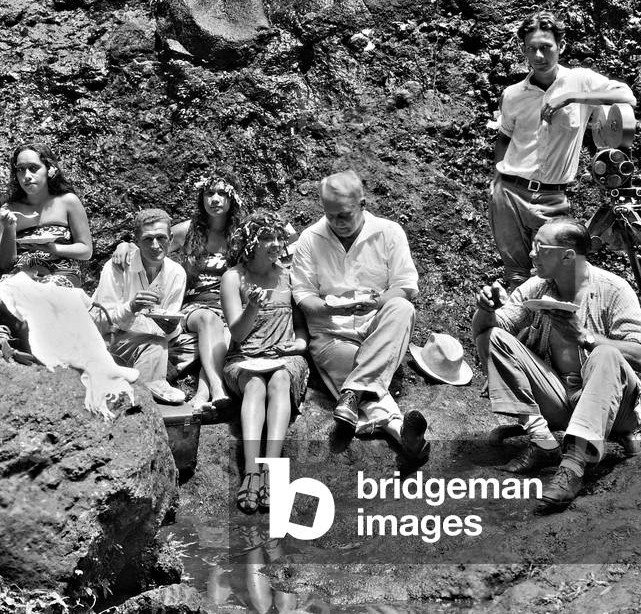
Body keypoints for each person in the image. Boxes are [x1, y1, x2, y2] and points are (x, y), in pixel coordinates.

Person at [472, 217, 641, 509]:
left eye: (540, 247)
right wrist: (485, 309)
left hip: (615, 407)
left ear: (568, 256)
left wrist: (585, 337)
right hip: (561, 401)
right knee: (492, 337)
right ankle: (543, 440)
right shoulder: (537, 287)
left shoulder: (614, 289)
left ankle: (572, 467)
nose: (531, 253)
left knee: (606, 354)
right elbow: (490, 332)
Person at [488, 11, 637, 289]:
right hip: (508, 196)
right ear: (523, 50)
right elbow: (504, 137)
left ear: (561, 46)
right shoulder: (512, 95)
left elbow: (627, 96)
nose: (539, 56)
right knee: (516, 276)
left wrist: (571, 98)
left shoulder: (580, 80)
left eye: (546, 47)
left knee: (555, 275)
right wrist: (496, 181)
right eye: (531, 48)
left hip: (552, 197)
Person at [291, 169, 429, 463]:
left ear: (363, 204)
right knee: (362, 371)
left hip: (377, 331)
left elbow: (405, 287)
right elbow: (303, 297)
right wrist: (330, 308)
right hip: (333, 335)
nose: (337, 223)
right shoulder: (309, 239)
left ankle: (352, 392)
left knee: (402, 308)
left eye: (344, 215)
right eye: (330, 215)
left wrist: (377, 302)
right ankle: (401, 433)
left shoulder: (389, 232)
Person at [111, 171, 244, 415]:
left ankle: (203, 395)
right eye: (209, 193)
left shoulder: (240, 235)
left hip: (230, 305)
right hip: (195, 307)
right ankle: (218, 388)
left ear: (232, 198)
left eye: (221, 193)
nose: (215, 199)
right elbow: (152, 244)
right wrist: (124, 244)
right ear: (201, 197)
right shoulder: (186, 231)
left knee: (226, 336)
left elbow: (277, 245)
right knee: (208, 319)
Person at [221, 212, 309, 514]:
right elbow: (237, 333)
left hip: (284, 357)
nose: (275, 244)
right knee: (255, 386)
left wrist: (299, 344)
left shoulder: (289, 276)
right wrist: (252, 308)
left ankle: (271, 470)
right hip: (245, 357)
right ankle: (251, 472)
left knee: (280, 380)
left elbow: (302, 330)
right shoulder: (233, 278)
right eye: (266, 238)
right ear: (250, 242)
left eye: (278, 238)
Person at [92, 209, 187, 404]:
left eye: (161, 238)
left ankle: (142, 391)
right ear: (136, 241)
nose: (155, 245)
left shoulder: (177, 273)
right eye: (148, 239)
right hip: (110, 340)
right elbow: (101, 321)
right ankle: (146, 394)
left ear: (170, 238)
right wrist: (131, 307)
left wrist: (171, 328)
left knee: (172, 344)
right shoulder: (118, 266)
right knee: (155, 345)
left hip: (153, 343)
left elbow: (170, 324)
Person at [0, 142, 92, 286]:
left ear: (49, 169)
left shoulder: (68, 201)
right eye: (20, 169)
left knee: (48, 286)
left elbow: (86, 250)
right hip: (21, 276)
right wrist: (9, 229)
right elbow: (4, 264)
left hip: (62, 273)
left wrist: (54, 248)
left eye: (33, 168)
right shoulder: (8, 209)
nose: (27, 176)